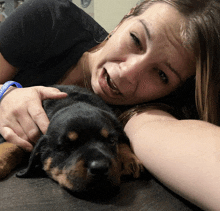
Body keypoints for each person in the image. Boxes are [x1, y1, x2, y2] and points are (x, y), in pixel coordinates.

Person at [0, 0, 220, 210]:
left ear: (174, 91)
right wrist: (5, 93)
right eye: (136, 39)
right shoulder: (49, 20)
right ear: (125, 18)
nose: (127, 72)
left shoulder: (147, 112)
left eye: (162, 75)